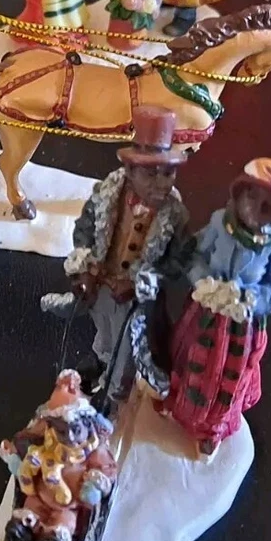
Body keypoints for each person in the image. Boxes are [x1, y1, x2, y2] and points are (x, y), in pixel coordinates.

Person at [159, 146, 271, 457]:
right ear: (239, 194)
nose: (254, 209)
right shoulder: (219, 223)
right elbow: (195, 255)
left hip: (239, 327)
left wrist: (250, 301)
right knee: (185, 356)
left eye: (266, 207)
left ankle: (213, 427)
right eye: (251, 197)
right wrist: (203, 282)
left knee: (224, 379)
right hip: (204, 310)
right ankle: (176, 400)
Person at [45, 106, 190, 404]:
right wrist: (85, 269)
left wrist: (139, 283)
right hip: (102, 284)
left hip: (133, 299)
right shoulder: (106, 195)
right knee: (105, 329)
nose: (161, 183)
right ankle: (100, 360)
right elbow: (84, 229)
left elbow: (177, 262)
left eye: (168, 173)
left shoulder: (174, 215)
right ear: (130, 170)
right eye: (151, 173)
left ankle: (114, 395)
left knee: (127, 345)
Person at [0, 370, 117, 541]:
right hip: (40, 493)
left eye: (75, 429)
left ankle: (54, 539)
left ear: (86, 422)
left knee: (65, 519)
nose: (69, 436)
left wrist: (96, 483)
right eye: (61, 430)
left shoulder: (93, 448)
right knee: (32, 506)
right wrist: (14, 456)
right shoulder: (45, 442)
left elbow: (106, 469)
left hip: (70, 503)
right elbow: (26, 447)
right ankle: (23, 530)